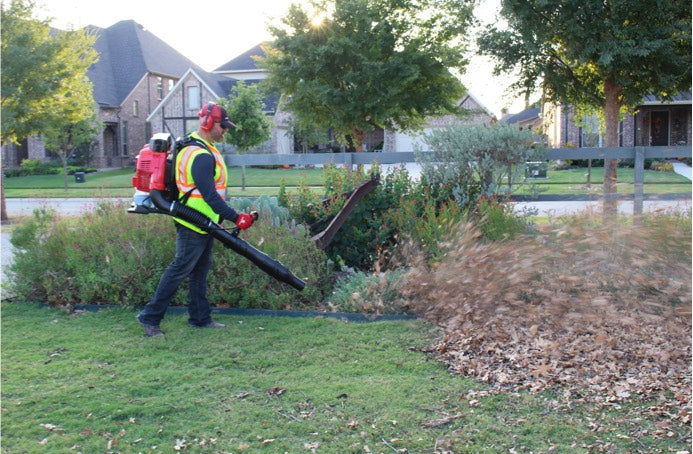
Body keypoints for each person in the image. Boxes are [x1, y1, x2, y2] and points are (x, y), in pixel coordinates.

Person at [137, 102, 255, 337]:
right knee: (180, 268)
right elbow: (209, 195)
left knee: (200, 270)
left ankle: (200, 318)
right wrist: (236, 217)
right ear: (209, 123)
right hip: (193, 222)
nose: (225, 131)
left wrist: (221, 218)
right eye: (222, 126)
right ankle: (149, 318)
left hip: (205, 221)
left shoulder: (200, 146)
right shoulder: (200, 155)